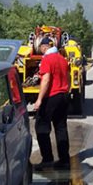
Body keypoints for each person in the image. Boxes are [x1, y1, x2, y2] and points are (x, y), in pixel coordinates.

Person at [32, 36, 70, 170]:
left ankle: (47, 159)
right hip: (64, 96)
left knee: (41, 127)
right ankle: (64, 160)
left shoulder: (47, 59)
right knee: (61, 128)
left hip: (52, 97)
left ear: (44, 47)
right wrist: (66, 90)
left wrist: (39, 99)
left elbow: (46, 80)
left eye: (40, 48)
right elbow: (68, 77)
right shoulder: (62, 59)